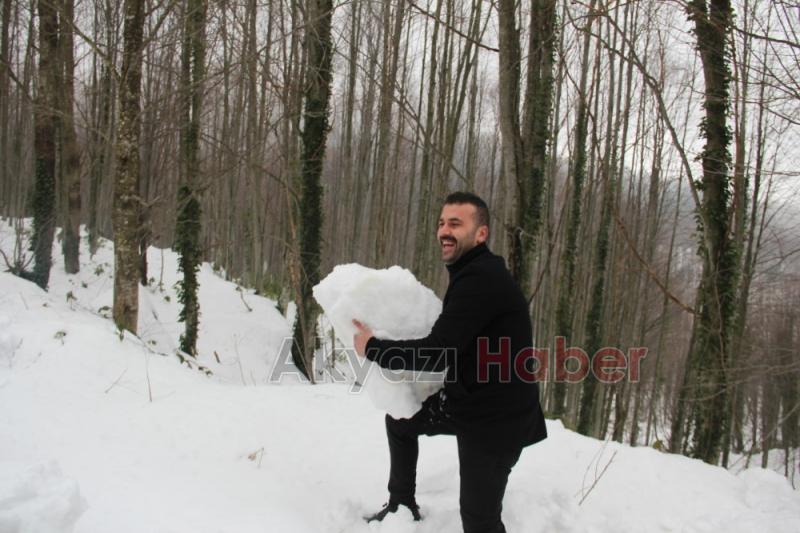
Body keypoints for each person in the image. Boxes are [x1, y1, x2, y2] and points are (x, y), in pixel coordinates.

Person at [352, 192, 547, 533]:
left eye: (455, 224)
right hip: (467, 401)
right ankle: (401, 505)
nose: (444, 231)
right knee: (401, 419)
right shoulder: (472, 272)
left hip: (496, 422)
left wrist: (373, 348)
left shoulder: (481, 279)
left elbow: (438, 352)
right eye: (442, 223)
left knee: (479, 520)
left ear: (481, 233)